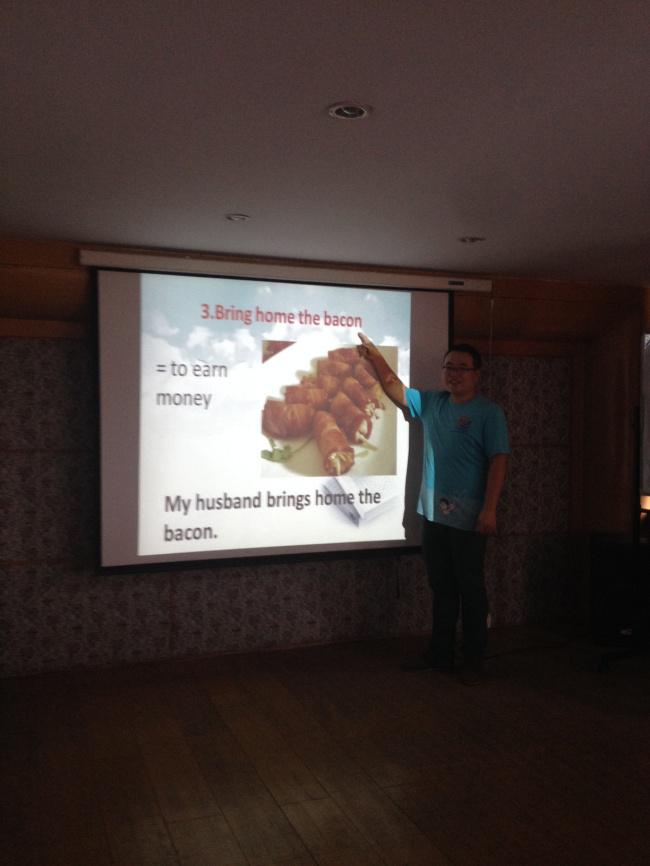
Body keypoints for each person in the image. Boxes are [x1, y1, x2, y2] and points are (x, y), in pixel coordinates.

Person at [357, 333, 509, 685]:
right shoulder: (432, 403)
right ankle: (440, 654)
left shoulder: (489, 412)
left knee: (470, 587)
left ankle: (473, 660)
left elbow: (499, 461)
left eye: (462, 368)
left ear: (477, 374)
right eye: (449, 367)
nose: (454, 374)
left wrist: (490, 509)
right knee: (441, 586)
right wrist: (374, 355)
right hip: (433, 514)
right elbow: (395, 388)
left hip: (469, 517)